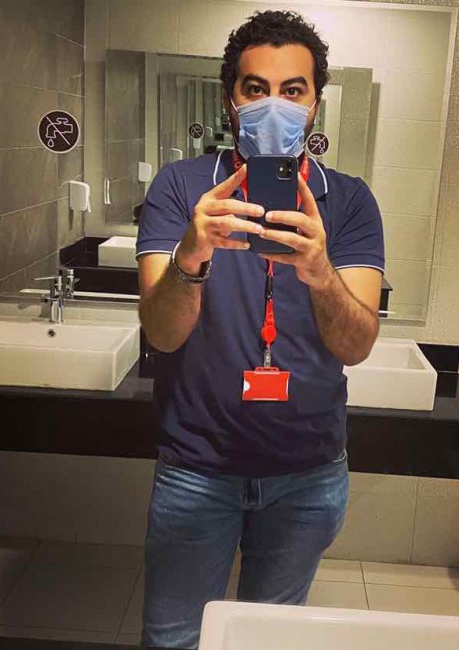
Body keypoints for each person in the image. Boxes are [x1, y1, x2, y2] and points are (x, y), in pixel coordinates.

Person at [136, 10, 385, 648]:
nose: (274, 104)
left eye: (292, 90)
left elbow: (356, 345)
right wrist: (191, 254)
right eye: (256, 89)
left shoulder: (350, 202)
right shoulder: (182, 189)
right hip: (197, 467)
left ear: (315, 104)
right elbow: (161, 335)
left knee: (268, 641)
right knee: (173, 639)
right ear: (231, 99)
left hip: (307, 474)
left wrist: (321, 273)